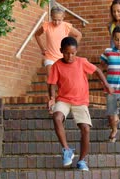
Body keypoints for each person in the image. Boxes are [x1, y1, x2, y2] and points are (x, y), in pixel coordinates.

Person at [48, 37, 114, 171]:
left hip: (80, 101)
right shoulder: (56, 65)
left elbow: (97, 70)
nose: (70, 56)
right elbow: (52, 84)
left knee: (86, 129)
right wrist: (51, 98)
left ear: (76, 51)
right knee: (57, 117)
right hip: (63, 99)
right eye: (67, 53)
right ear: (61, 51)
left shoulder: (82, 62)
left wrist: (106, 84)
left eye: (73, 53)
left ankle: (82, 160)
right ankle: (66, 150)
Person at [35, 6, 82, 75]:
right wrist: (42, 49)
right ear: (51, 16)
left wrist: (73, 49)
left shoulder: (66, 26)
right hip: (50, 58)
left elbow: (79, 35)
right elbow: (37, 35)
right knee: (50, 78)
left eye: (59, 20)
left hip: (63, 57)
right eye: (54, 20)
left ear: (63, 17)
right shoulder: (46, 26)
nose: (56, 22)